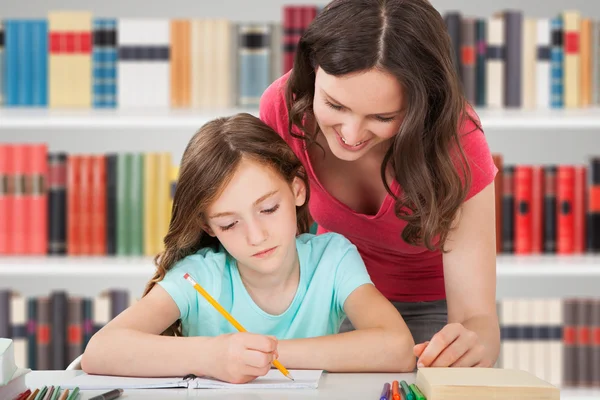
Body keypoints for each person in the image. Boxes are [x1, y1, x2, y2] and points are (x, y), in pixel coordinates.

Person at [81, 113, 416, 384]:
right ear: (208, 227)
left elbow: (397, 348)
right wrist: (212, 356)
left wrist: (268, 355)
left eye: (268, 209)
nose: (256, 236)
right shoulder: (198, 276)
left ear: (297, 191)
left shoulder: (332, 258)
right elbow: (101, 351)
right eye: (229, 224)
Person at [259, 0, 500, 368]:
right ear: (312, 70)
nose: (351, 135)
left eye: (383, 116)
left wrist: (470, 346)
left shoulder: (456, 141)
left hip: (434, 316)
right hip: (336, 298)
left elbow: (475, 319)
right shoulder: (283, 108)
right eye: (334, 105)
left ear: (422, 105)